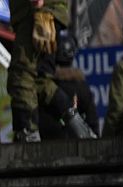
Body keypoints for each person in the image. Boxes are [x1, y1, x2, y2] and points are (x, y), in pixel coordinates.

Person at [8, 0, 93, 141]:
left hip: (36, 12)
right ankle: (80, 130)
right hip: (44, 12)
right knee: (40, 79)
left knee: (21, 77)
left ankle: (28, 134)